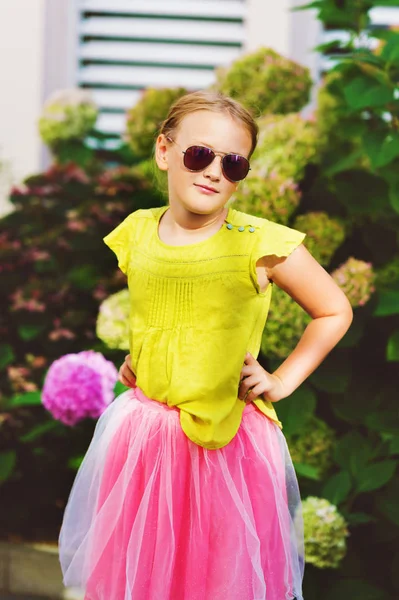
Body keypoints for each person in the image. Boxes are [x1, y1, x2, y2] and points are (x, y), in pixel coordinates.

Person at [58, 91, 353, 600]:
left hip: (228, 445)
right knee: (146, 571)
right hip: (146, 440)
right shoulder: (138, 233)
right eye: (199, 154)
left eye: (232, 163)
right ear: (164, 152)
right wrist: (142, 358)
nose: (214, 171)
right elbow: (162, 311)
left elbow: (334, 310)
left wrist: (281, 379)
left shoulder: (258, 243)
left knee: (216, 575)